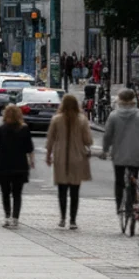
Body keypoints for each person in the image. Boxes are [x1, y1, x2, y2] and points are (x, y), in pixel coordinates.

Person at [100, 88, 139, 212]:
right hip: (136, 153)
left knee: (119, 181)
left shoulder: (114, 115)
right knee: (133, 179)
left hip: (119, 154)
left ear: (120, 100)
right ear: (133, 100)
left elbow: (108, 135)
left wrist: (105, 150)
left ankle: (119, 205)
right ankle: (131, 205)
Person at [46, 94, 94, 230]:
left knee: (62, 190)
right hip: (77, 157)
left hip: (61, 157)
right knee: (74, 191)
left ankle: (62, 218)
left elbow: (50, 139)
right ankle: (72, 220)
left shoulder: (56, 119)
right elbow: (88, 140)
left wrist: (48, 155)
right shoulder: (82, 120)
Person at [0, 104, 35, 228]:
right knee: (17, 193)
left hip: (4, 165)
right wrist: (32, 161)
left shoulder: (1, 129)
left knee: (5, 193)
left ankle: (7, 217)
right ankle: (15, 217)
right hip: (20, 165)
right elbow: (29, 148)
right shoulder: (24, 129)